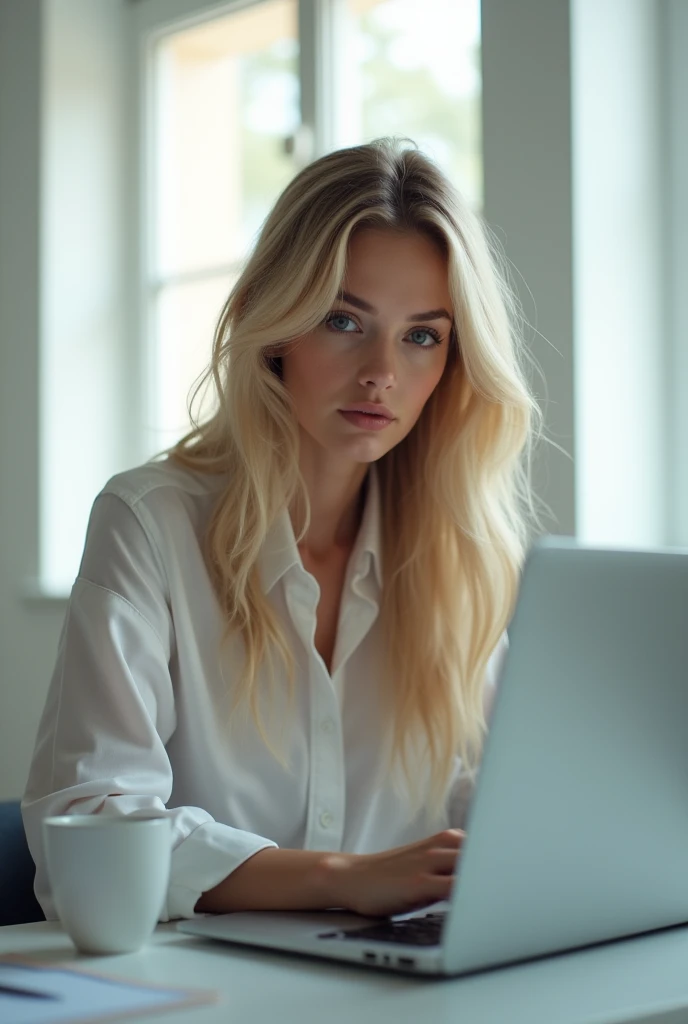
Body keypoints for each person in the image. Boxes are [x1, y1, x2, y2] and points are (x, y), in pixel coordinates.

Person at [22, 138, 541, 924]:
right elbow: (90, 833)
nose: (381, 373)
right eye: (343, 319)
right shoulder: (150, 524)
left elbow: (500, 809)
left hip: (395, 988)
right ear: (276, 329)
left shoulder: (456, 560)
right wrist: (341, 876)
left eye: (422, 335)